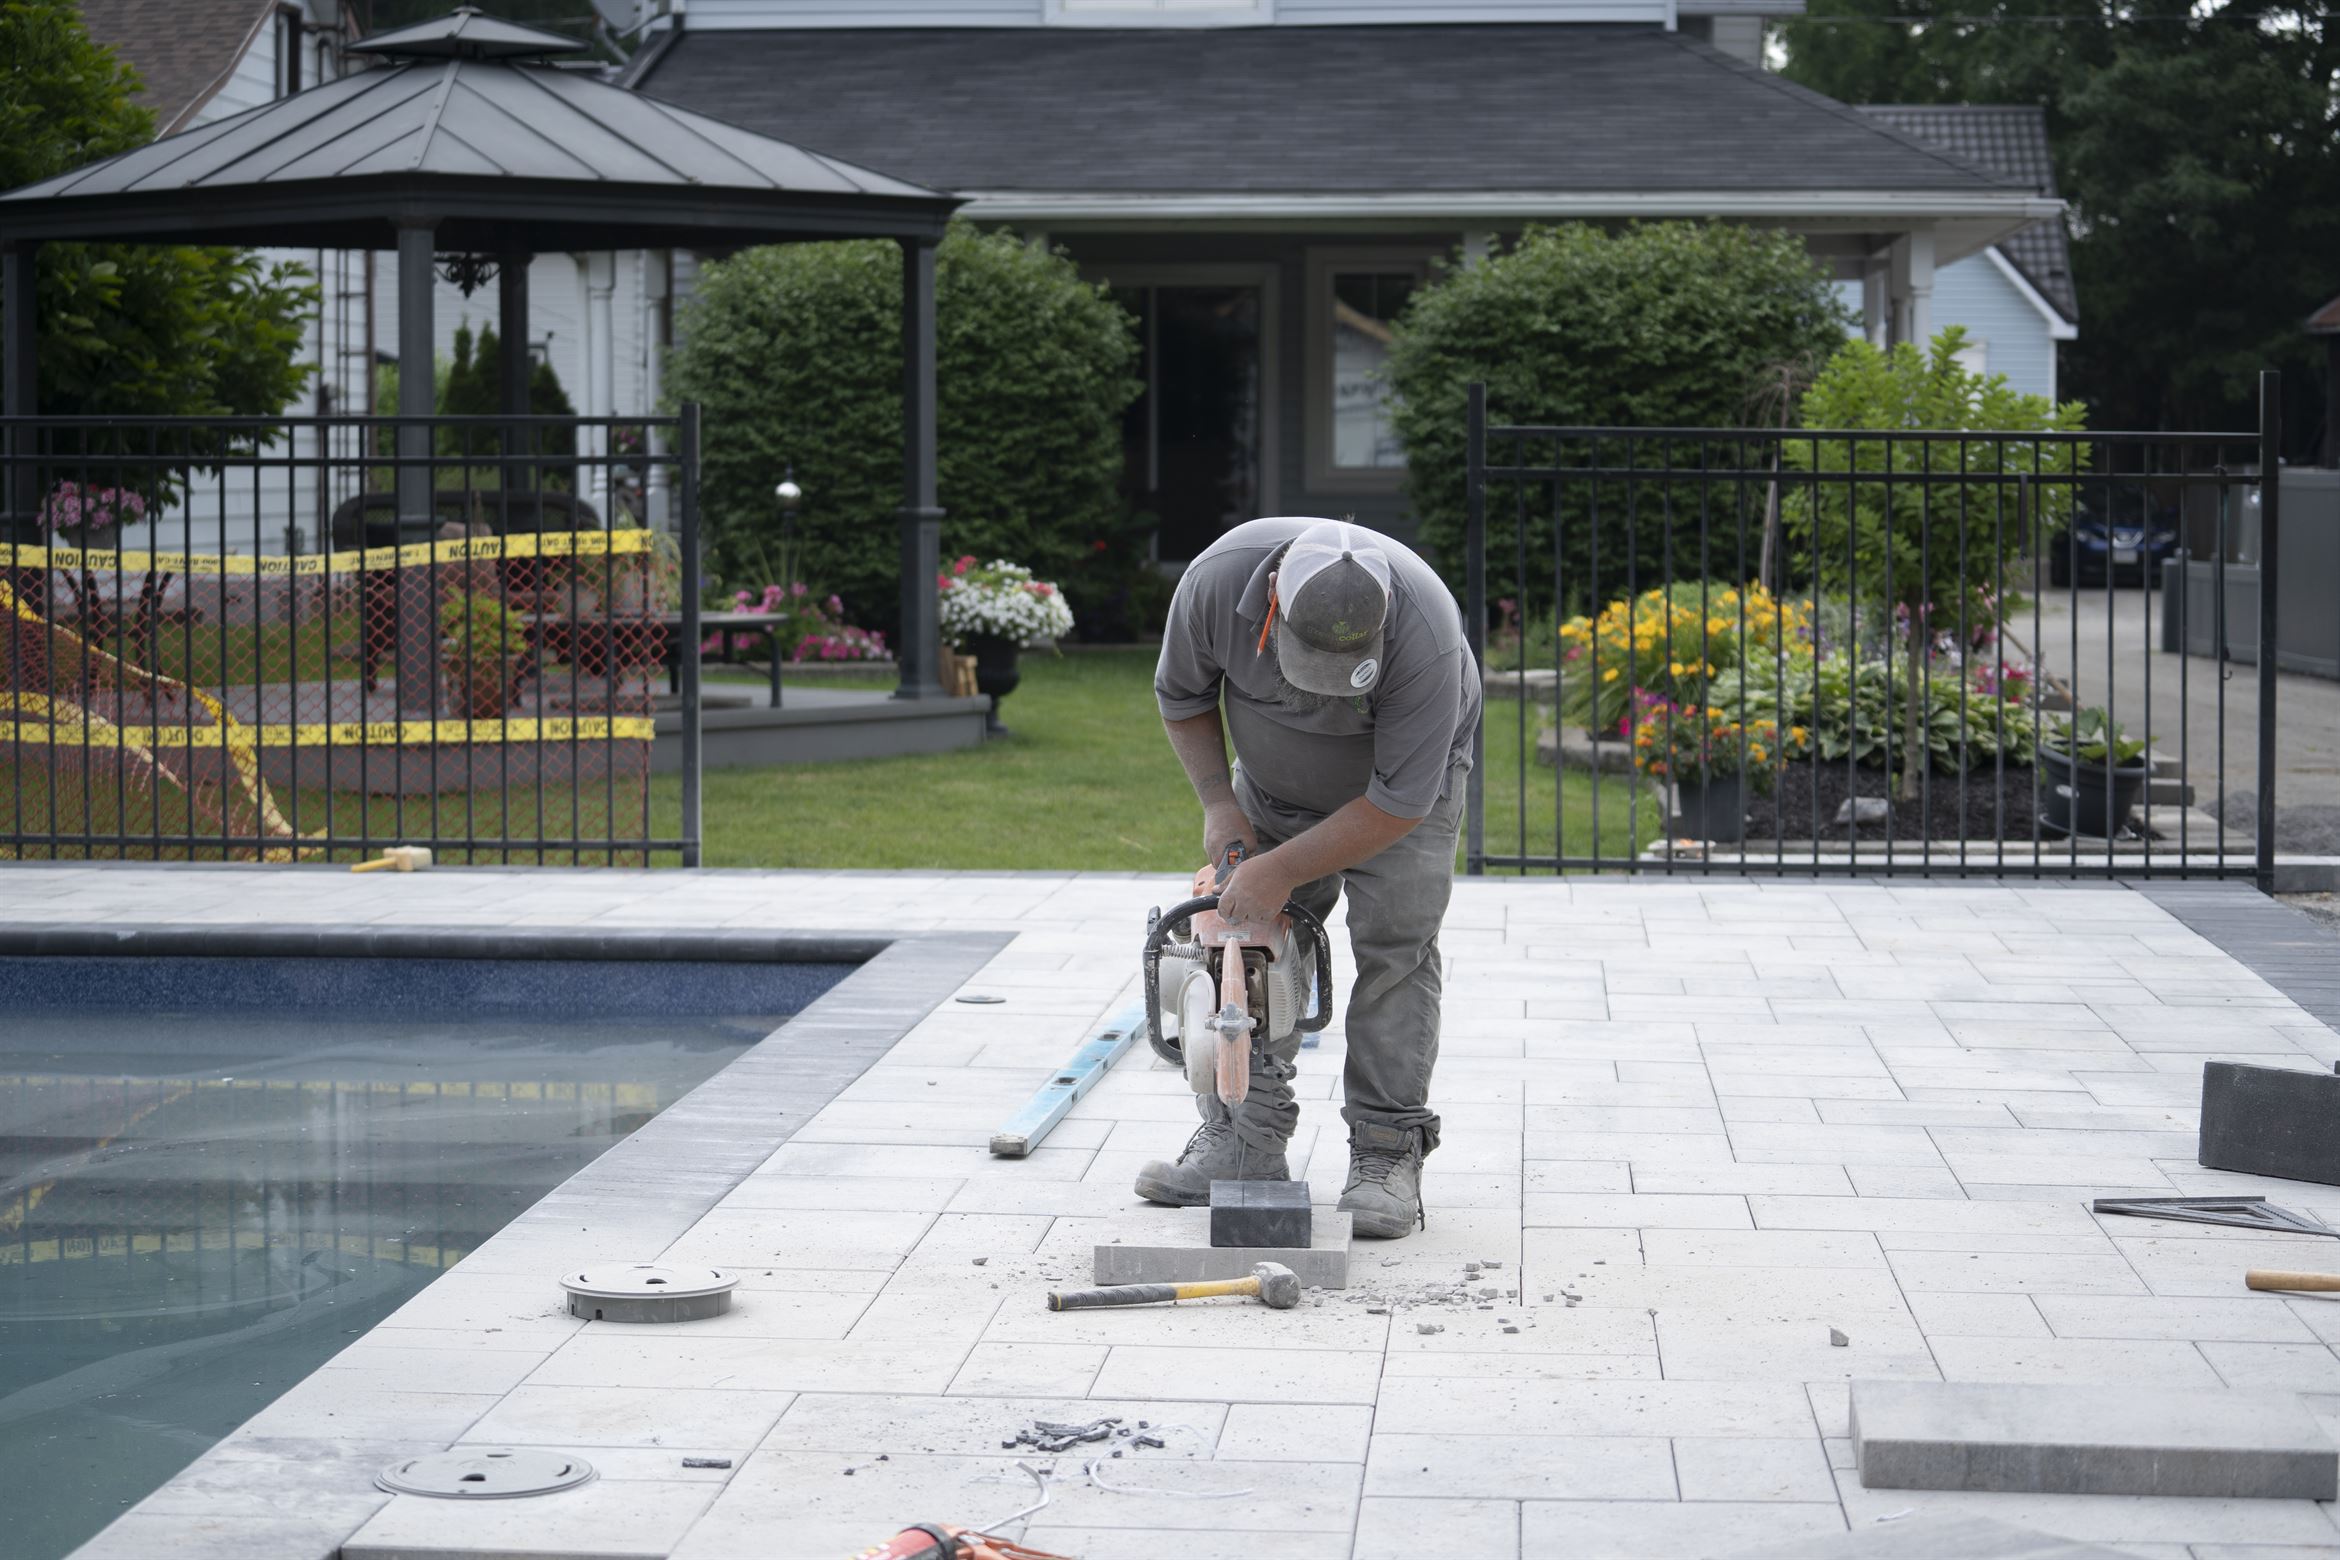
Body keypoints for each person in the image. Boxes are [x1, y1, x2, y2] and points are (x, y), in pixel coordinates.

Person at [1134, 517, 1481, 1238]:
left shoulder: (1426, 630)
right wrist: (1220, 806)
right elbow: (1184, 696)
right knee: (1248, 947)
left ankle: (1387, 1152)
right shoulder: (1214, 582)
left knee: (1396, 953)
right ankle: (1243, 1142)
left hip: (1397, 800)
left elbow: (1398, 802)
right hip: (1269, 787)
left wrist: (1284, 867)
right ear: (1271, 596)